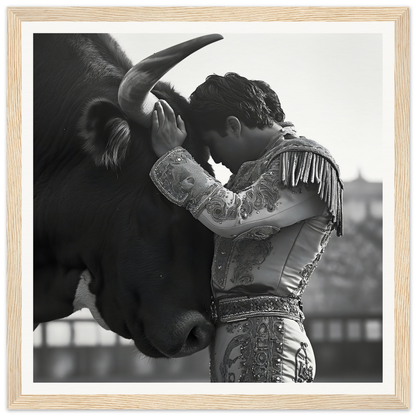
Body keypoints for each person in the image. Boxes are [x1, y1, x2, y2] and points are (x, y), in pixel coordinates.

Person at [149, 72, 343, 383]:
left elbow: (232, 216)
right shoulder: (250, 173)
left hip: (269, 340)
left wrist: (174, 157)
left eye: (212, 143)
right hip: (241, 339)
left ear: (233, 125)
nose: (214, 158)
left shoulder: (303, 160)